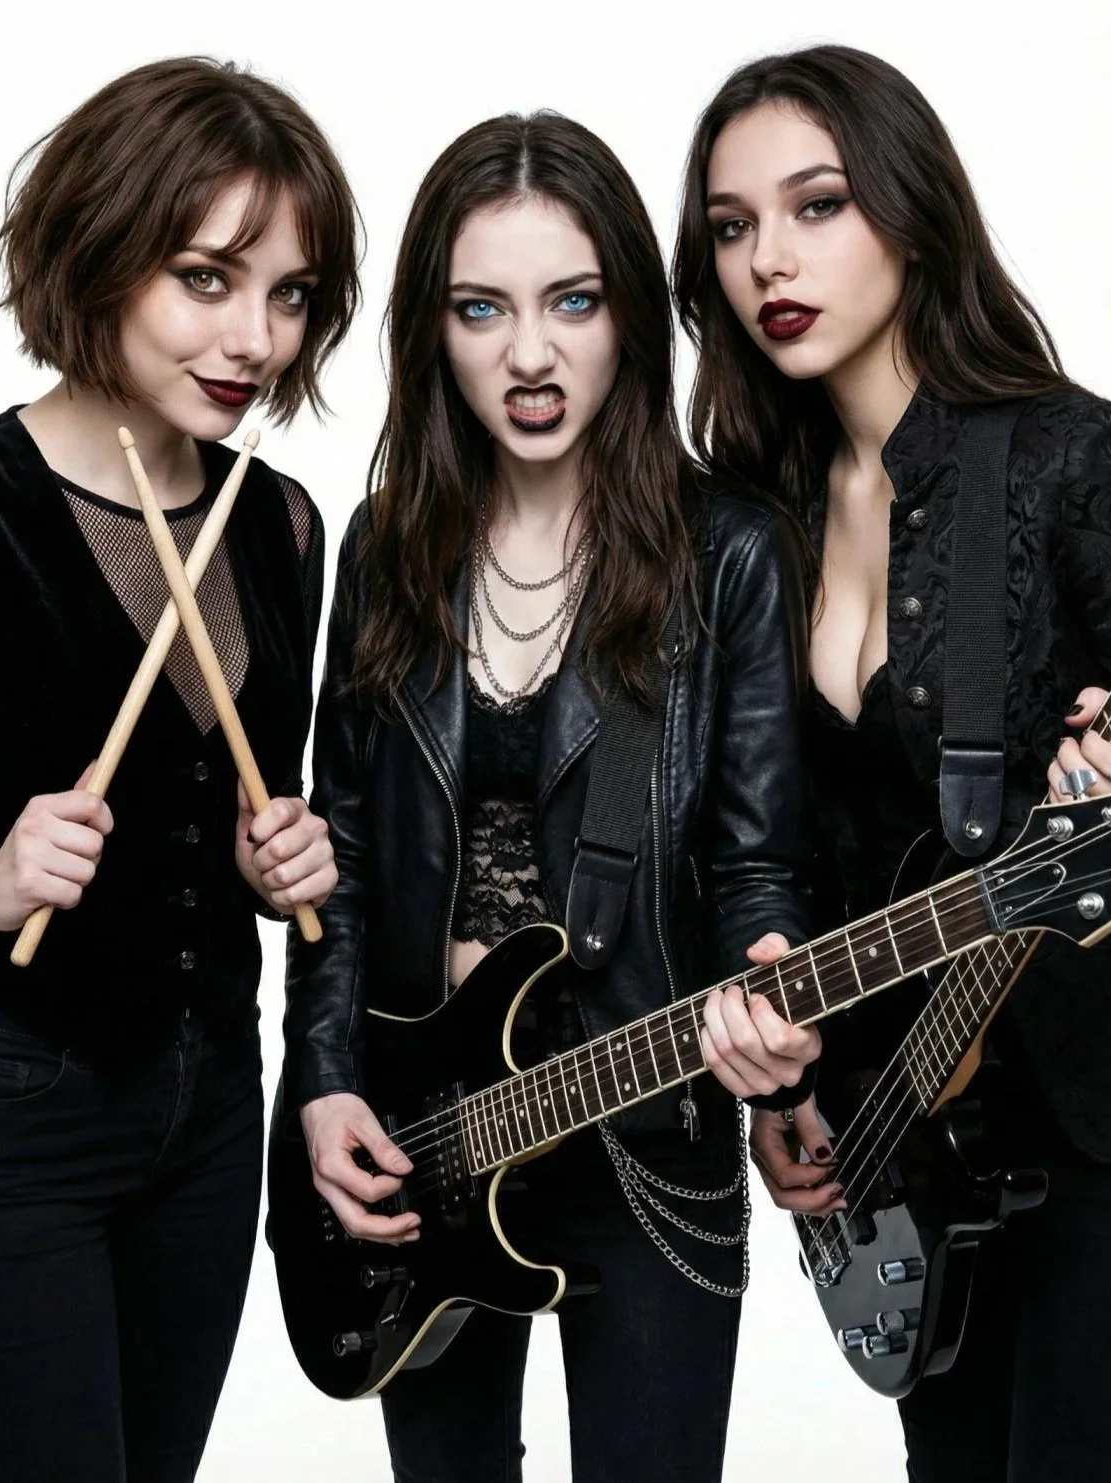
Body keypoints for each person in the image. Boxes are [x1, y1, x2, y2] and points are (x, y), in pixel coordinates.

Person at [282, 111, 819, 1483]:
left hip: (646, 1122)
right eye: (482, 308)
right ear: (432, 329)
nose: (529, 354)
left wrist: (769, 988)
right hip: (427, 1133)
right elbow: (336, 843)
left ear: (627, 315)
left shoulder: (729, 554)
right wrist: (327, 1081)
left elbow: (756, 858)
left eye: (570, 301)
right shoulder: (391, 542)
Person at [674, 43, 1111, 1482]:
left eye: (815, 206)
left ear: (912, 215)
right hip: (910, 1149)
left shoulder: (1069, 461)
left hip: (1099, 1124)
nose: (766, 260)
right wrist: (773, 1071)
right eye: (731, 227)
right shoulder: (749, 525)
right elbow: (758, 851)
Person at [0, 56, 359, 1483]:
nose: (255, 334)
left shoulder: (282, 527)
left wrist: (270, 859)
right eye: (205, 277)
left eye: (289, 293)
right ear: (101, 252)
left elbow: (225, 811)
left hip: (206, 1110)